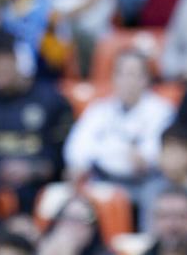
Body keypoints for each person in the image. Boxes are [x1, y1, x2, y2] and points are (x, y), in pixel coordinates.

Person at [0, 30, 73, 212]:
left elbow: (66, 158)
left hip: (40, 195)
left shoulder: (51, 100)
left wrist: (33, 169)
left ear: (15, 58)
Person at [64, 50, 175, 187]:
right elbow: (78, 146)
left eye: (132, 74)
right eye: (120, 74)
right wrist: (80, 164)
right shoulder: (99, 109)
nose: (126, 80)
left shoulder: (161, 111)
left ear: (146, 79)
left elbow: (150, 157)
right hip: (102, 178)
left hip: (145, 181)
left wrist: (109, 150)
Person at [139, 123, 187, 232]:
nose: (171, 157)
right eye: (166, 150)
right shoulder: (151, 190)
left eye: (178, 151)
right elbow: (148, 232)